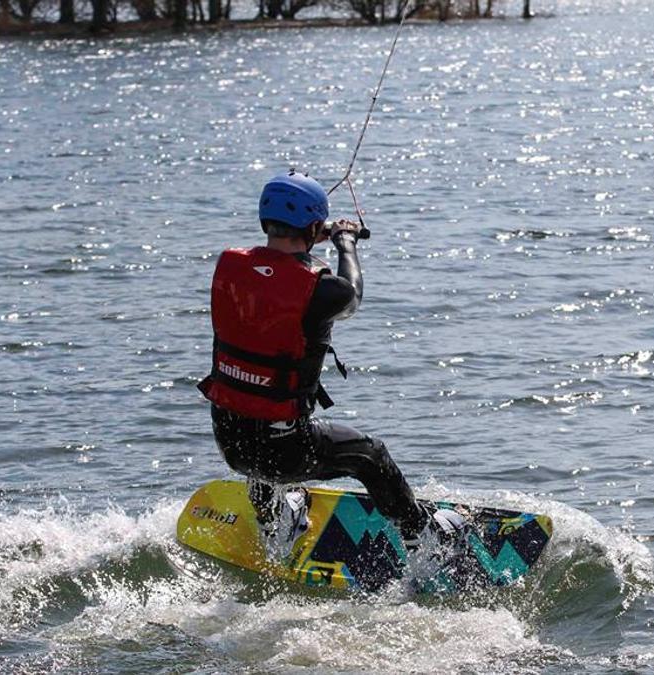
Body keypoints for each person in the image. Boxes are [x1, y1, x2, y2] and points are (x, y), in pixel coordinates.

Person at [198, 170, 462, 558]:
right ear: (313, 226)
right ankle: (422, 536)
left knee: (256, 413)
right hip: (287, 451)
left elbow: (273, 274)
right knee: (371, 456)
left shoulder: (228, 266)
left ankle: (275, 519)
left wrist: (309, 236)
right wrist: (344, 240)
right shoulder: (323, 290)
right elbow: (351, 294)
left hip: (231, 444)